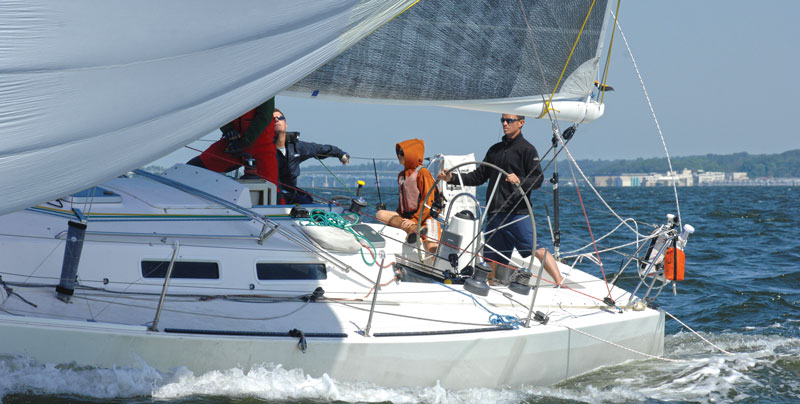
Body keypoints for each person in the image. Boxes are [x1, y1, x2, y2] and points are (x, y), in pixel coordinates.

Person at [437, 114, 564, 286]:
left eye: (509, 120)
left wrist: (519, 179)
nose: (505, 123)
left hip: (517, 212)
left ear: (521, 123)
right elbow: (478, 176)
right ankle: (489, 287)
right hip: (495, 212)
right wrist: (452, 178)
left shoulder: (527, 150)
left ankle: (560, 282)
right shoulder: (494, 150)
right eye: (502, 120)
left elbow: (538, 179)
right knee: (490, 256)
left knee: (536, 248)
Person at [187, 98, 278, 185]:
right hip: (232, 143)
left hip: (260, 146)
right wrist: (228, 129)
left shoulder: (262, 85)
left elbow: (264, 116)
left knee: (273, 189)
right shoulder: (227, 85)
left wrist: (244, 142)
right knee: (191, 169)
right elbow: (221, 110)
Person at [273, 108, 350, 204]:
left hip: (292, 194)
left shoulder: (297, 147)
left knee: (307, 199)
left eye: (280, 117)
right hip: (272, 194)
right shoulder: (264, 148)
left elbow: (319, 149)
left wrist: (340, 154)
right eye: (273, 119)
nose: (277, 120)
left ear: (286, 124)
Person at [376, 139, 439, 253]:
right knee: (380, 214)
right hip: (407, 219)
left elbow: (429, 200)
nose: (399, 155)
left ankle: (416, 228)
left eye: (402, 153)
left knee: (431, 248)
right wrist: (405, 220)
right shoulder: (401, 175)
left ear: (412, 154)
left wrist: (416, 220)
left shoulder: (423, 173)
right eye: (398, 153)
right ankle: (413, 229)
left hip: (425, 218)